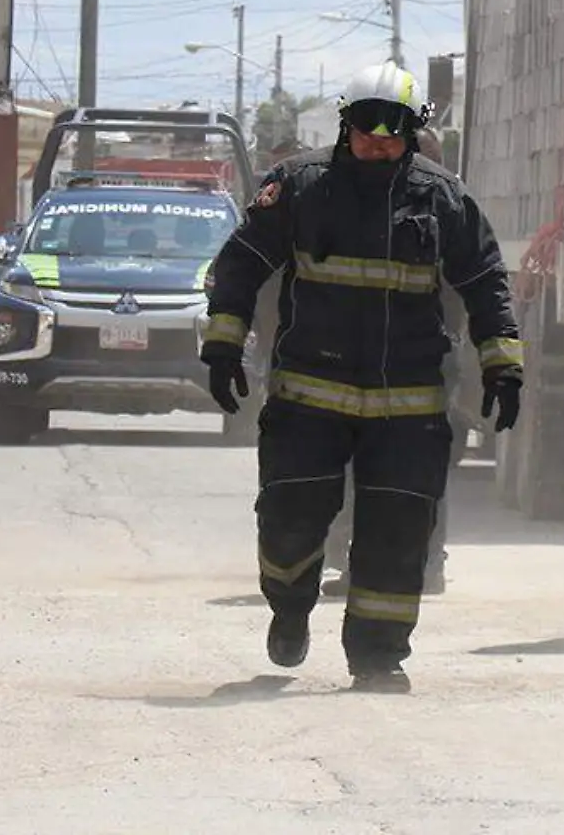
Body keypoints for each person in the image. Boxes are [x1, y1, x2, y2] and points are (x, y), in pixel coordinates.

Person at [199, 62, 523, 692]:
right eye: (366, 125)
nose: (378, 138)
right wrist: (222, 346)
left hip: (408, 407)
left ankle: (377, 658)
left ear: (415, 129)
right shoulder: (298, 186)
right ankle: (290, 610)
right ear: (345, 124)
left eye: (393, 127)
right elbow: (240, 266)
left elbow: (486, 283)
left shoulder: (444, 198)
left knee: (398, 539)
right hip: (307, 401)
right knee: (289, 524)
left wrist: (502, 367)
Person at [320, 127, 462, 599]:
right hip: (430, 361)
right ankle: (427, 565)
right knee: (422, 468)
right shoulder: (456, 205)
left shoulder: (402, 212)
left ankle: (375, 565)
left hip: (402, 362)